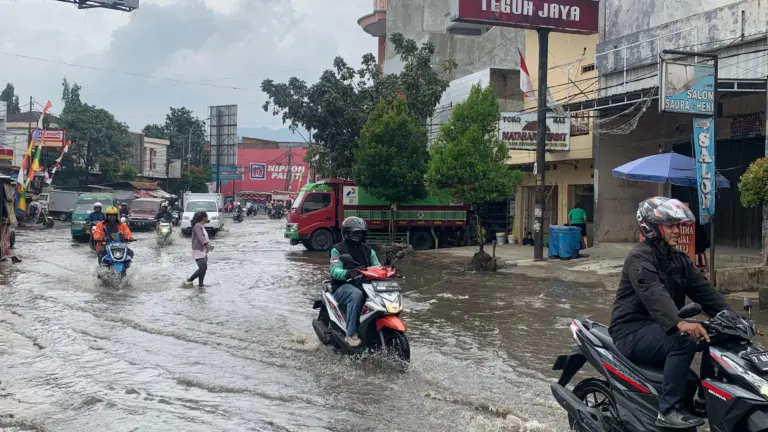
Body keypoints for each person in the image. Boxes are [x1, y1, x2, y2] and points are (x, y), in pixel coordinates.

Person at [608, 197, 731, 429]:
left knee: (717, 332)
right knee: (682, 342)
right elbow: (652, 292)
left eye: (678, 225)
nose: (677, 230)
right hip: (631, 331)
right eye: (671, 226)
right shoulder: (639, 257)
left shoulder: (678, 258)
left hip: (660, 327)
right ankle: (668, 411)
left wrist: (733, 319)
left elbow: (705, 292)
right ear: (653, 227)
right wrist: (679, 323)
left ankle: (705, 399)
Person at [329, 216, 381, 347]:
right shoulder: (337, 250)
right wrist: (348, 273)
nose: (358, 235)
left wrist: (387, 272)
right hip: (342, 286)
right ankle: (350, 334)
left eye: (361, 232)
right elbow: (335, 270)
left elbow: (377, 267)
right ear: (346, 233)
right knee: (356, 295)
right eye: (355, 232)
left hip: (364, 284)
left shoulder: (369, 251)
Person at [184, 211, 213, 288]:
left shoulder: (201, 226)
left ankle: (201, 285)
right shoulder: (197, 226)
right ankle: (189, 280)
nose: (208, 218)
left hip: (203, 250)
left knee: (204, 268)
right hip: (198, 250)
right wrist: (206, 244)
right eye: (207, 216)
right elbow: (200, 237)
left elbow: (204, 237)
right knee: (202, 268)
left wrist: (209, 245)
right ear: (204, 217)